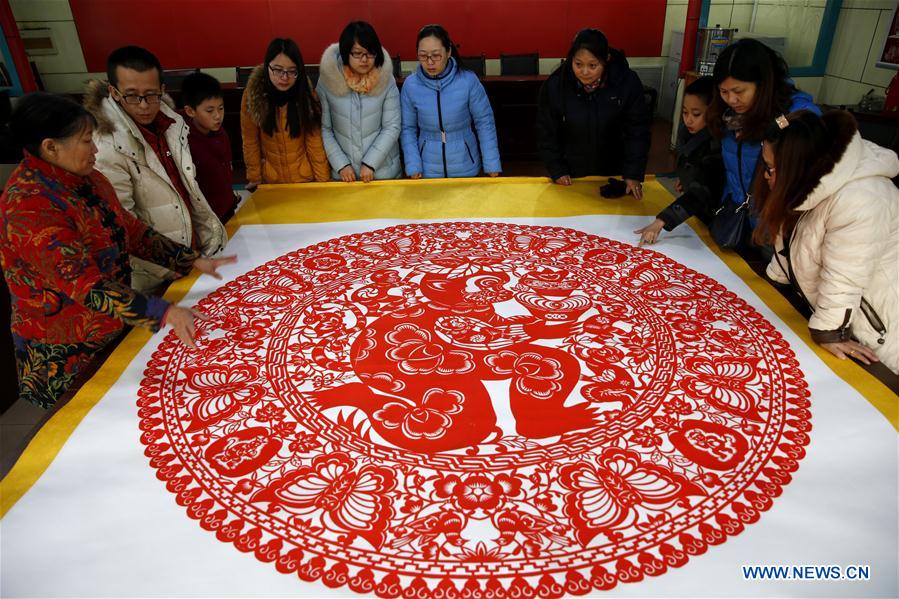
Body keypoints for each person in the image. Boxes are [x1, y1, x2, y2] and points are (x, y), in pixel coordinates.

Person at [0, 93, 237, 408]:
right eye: (87, 141)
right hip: (65, 348)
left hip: (111, 326)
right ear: (51, 146)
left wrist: (191, 260)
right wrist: (163, 311)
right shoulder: (29, 207)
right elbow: (86, 286)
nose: (96, 149)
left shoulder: (88, 178)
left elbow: (132, 230)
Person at [756, 110, 898, 374]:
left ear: (796, 167)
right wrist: (775, 281)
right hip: (840, 314)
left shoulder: (862, 197)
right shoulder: (810, 184)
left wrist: (830, 332)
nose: (766, 176)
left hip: (878, 326)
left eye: (771, 169)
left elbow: (846, 273)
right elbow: (793, 239)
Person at [84, 46, 227, 294]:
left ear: (162, 88)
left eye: (151, 95)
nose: (144, 106)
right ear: (113, 92)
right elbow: (123, 227)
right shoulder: (106, 145)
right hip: (154, 276)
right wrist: (174, 264)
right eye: (132, 95)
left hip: (190, 258)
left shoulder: (173, 124)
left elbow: (188, 192)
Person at [707, 38, 820, 242]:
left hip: (784, 229)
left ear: (763, 85)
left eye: (739, 91)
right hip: (745, 222)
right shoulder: (729, 116)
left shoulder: (796, 118)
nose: (731, 100)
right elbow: (733, 170)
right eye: (724, 92)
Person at [536, 28, 651, 198]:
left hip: (615, 172)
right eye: (578, 64)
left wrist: (633, 173)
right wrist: (557, 169)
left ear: (606, 60)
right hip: (571, 174)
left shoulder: (626, 82)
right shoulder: (556, 85)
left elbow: (637, 131)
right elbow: (545, 131)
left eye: (592, 65)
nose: (584, 72)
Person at [400, 24, 501, 179]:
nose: (430, 62)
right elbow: (408, 128)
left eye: (436, 55)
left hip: (465, 163)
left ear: (448, 52)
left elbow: (484, 121)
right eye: (423, 56)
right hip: (427, 168)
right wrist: (413, 165)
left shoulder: (467, 80)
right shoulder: (410, 85)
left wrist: (492, 163)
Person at [635, 76, 724, 244]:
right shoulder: (689, 134)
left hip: (713, 215)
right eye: (684, 112)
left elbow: (702, 193)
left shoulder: (714, 146)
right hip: (697, 213)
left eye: (696, 114)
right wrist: (687, 178)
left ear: (714, 113)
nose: (688, 119)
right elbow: (692, 166)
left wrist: (661, 221)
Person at [317, 21, 401, 182]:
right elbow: (324, 129)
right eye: (357, 53)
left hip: (382, 173)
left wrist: (370, 163)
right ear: (345, 52)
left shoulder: (386, 79)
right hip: (343, 176)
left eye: (370, 53)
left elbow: (392, 126)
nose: (365, 59)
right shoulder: (328, 80)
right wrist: (341, 165)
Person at [240, 38, 330, 189]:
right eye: (277, 69)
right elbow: (250, 141)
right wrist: (254, 178)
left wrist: (323, 181)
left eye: (292, 71)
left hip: (304, 179)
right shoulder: (253, 95)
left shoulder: (306, 94)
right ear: (267, 66)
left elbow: (314, 141)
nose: (284, 77)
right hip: (272, 181)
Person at [182, 72, 239, 222]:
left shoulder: (222, 133)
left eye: (221, 108)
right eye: (209, 110)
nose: (218, 116)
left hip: (228, 210)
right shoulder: (183, 142)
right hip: (206, 220)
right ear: (190, 111)